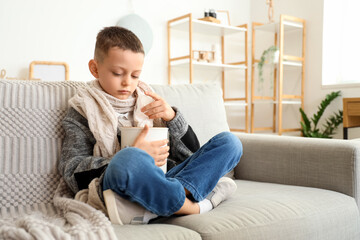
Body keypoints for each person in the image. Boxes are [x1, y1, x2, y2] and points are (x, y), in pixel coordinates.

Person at [59, 26, 243, 225]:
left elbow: (191, 155)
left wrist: (172, 118)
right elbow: (72, 170)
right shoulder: (82, 109)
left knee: (230, 143)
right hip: (117, 186)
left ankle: (156, 203)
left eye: (135, 75)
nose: (127, 83)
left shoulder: (148, 102)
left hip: (164, 179)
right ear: (95, 68)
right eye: (118, 73)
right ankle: (192, 206)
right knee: (128, 158)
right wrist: (132, 154)